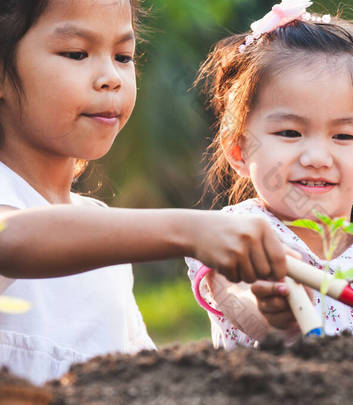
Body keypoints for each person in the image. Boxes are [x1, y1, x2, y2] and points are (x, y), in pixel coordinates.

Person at [0, 0, 290, 385]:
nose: (111, 78)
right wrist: (189, 232)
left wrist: (271, 325)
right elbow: (13, 239)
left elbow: (146, 375)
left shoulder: (104, 233)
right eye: (76, 53)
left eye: (123, 56)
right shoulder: (30, 213)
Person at [186, 1, 353, 350]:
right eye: (290, 133)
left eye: (343, 136)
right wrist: (272, 308)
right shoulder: (236, 237)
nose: (317, 158)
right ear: (239, 150)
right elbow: (241, 301)